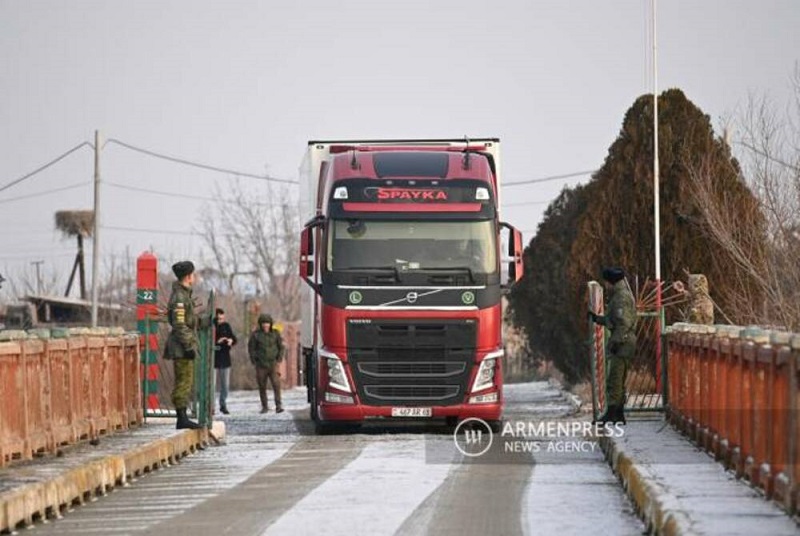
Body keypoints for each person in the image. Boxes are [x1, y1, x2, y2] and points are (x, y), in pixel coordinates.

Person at [588, 267, 637, 424]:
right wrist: (597, 319)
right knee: (617, 380)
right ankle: (618, 413)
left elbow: (624, 324)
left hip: (622, 344)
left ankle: (613, 413)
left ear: (611, 282)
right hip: (623, 342)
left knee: (614, 380)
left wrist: (615, 343)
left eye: (606, 282)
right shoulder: (619, 295)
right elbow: (614, 320)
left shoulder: (621, 297)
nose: (605, 286)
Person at [164, 260, 202, 430]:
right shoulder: (180, 297)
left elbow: (189, 320)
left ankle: (183, 416)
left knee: (186, 381)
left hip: (184, 345)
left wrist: (206, 321)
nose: (194, 276)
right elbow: (179, 324)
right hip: (181, 347)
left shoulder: (184, 294)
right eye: (193, 274)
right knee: (183, 382)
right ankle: (181, 418)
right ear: (188, 276)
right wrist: (189, 345)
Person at [248, 314, 285, 413]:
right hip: (261, 365)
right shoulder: (256, 335)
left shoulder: (275, 334)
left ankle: (278, 405)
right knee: (262, 386)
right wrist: (254, 360)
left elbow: (281, 347)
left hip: (273, 364)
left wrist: (279, 358)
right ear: (260, 324)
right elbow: (251, 348)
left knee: (276, 385)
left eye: (267, 323)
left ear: (270, 324)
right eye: (263, 323)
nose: (265, 325)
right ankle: (265, 406)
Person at [213, 308, 237, 415]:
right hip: (213, 359)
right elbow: (206, 341)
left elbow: (234, 338)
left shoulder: (226, 326)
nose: (221, 321)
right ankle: (211, 407)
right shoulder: (211, 327)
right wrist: (217, 342)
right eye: (219, 319)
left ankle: (223, 404)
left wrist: (231, 341)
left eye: (222, 318)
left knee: (225, 385)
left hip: (225, 358)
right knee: (211, 385)